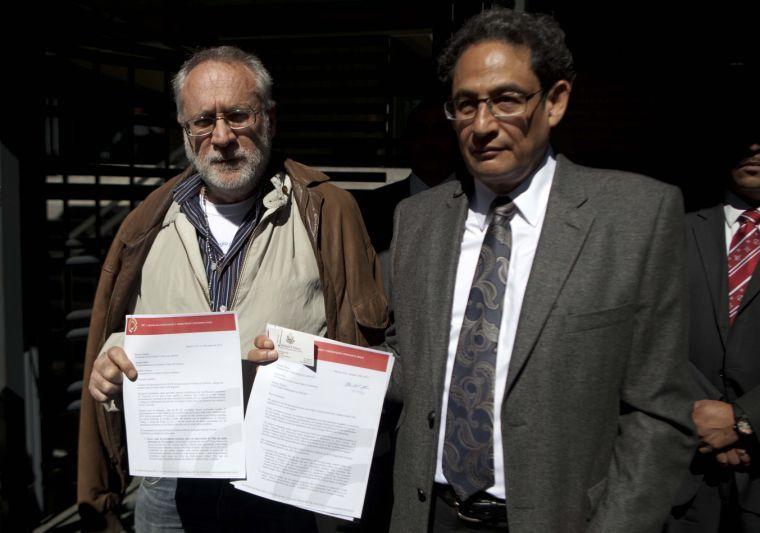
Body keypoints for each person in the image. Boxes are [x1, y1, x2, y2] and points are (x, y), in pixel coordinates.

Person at [383, 8, 695, 532]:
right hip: (427, 515)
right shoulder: (417, 220)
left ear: (555, 101)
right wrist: (307, 361)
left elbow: (657, 412)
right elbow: (408, 362)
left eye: (506, 99)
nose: (482, 125)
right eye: (465, 105)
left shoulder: (635, 217)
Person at [77, 45, 387, 531]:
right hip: (171, 485)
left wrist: (306, 357)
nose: (221, 137)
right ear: (184, 129)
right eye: (203, 121)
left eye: (237, 116)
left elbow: (366, 347)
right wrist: (112, 360)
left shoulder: (326, 212)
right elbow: (120, 336)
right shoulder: (148, 223)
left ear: (269, 119)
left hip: (281, 480)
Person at [667, 123, 760, 532]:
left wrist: (744, 420)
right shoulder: (674, 230)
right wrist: (701, 417)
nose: (754, 148)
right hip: (685, 476)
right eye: (744, 138)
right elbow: (648, 334)